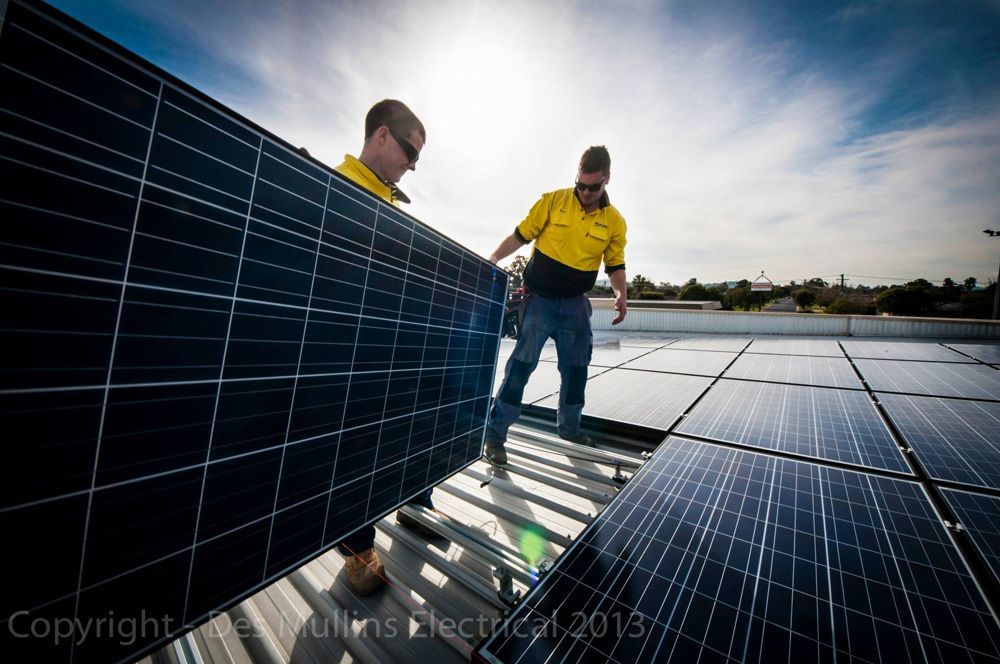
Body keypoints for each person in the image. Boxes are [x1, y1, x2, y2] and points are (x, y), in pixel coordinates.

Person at [328, 99, 443, 596]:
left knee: (422, 413)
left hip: (396, 340)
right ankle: (358, 548)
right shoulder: (331, 188)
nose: (412, 165)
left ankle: (415, 500)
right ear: (380, 135)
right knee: (353, 444)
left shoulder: (393, 204)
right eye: (409, 151)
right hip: (349, 348)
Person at [484, 146, 628, 465]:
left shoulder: (615, 221)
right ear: (576, 177)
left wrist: (621, 294)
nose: (585, 192)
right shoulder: (552, 201)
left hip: (576, 306)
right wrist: (494, 258)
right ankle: (495, 436)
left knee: (576, 371)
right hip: (539, 301)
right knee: (520, 368)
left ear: (607, 180)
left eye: (593, 187)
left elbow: (615, 265)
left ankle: (570, 430)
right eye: (580, 185)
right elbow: (520, 236)